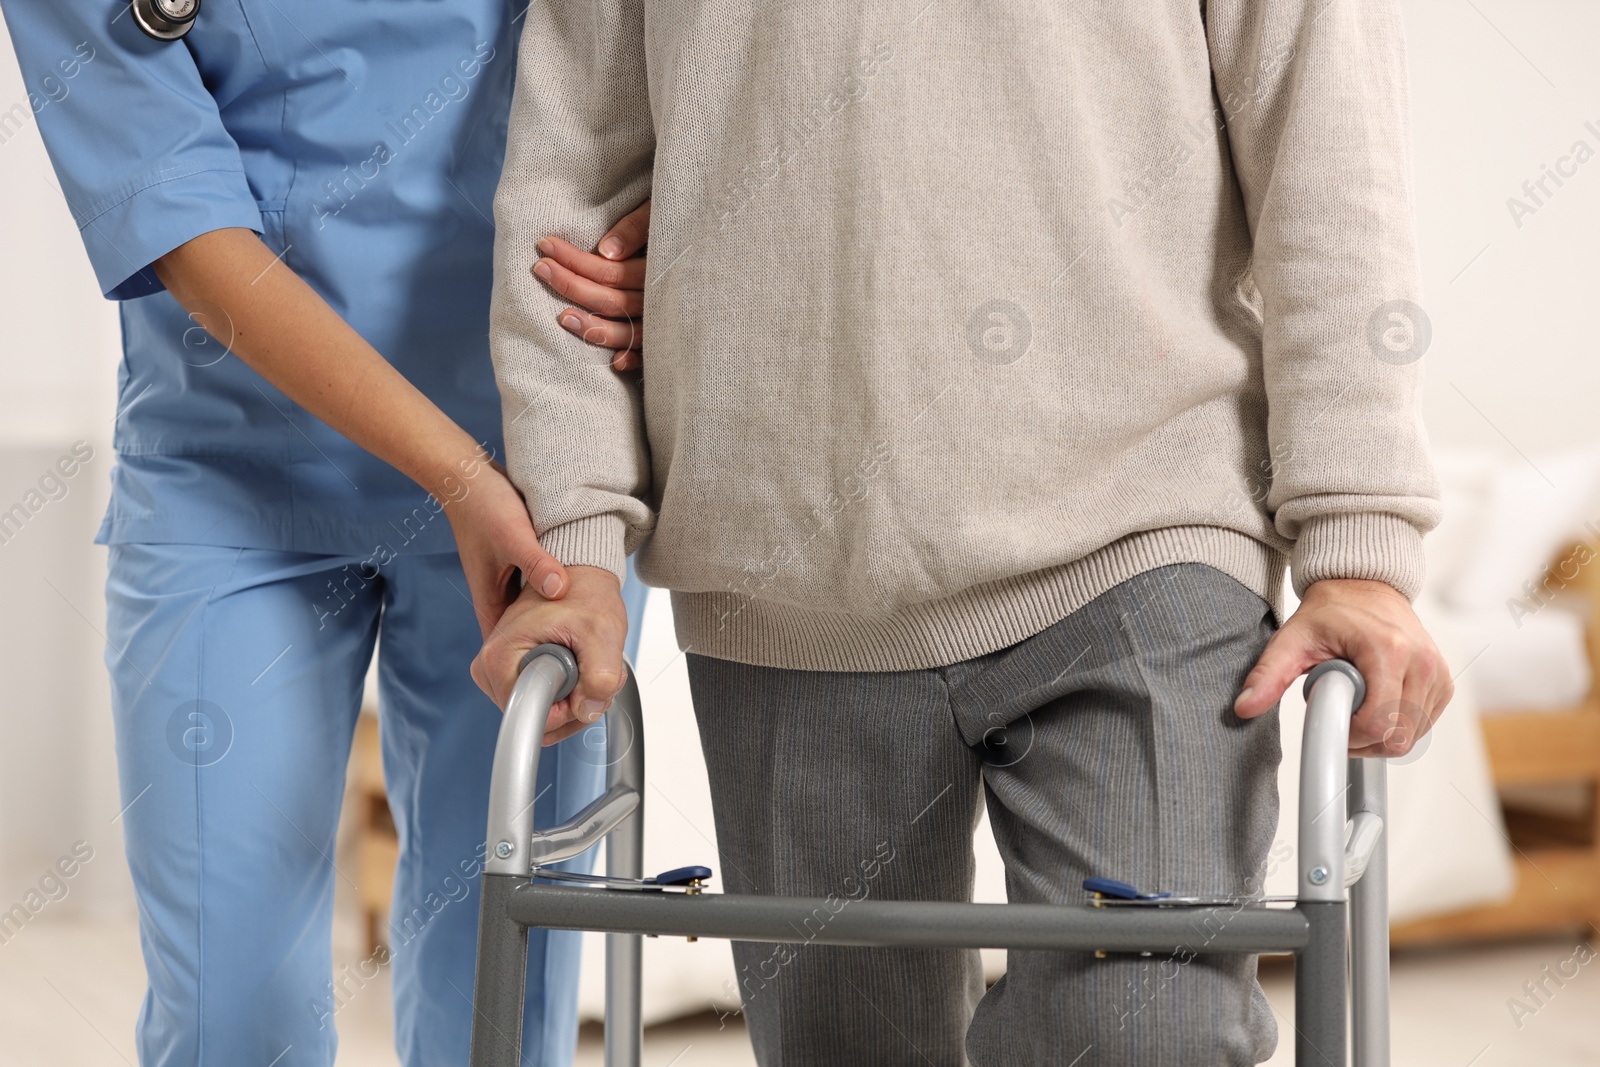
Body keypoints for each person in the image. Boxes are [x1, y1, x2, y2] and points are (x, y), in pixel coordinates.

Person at [473, 0, 1454, 1064]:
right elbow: (565, 176)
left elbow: (1328, 154)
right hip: (784, 572)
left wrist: (1357, 545)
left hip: (1143, 526)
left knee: (1144, 1035)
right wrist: (575, 537)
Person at [0, 3, 653, 1064]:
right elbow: (172, 212)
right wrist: (454, 473)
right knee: (232, 1016)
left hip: (534, 447)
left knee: (500, 1006)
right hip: (233, 472)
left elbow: (661, 62)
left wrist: (673, 218)